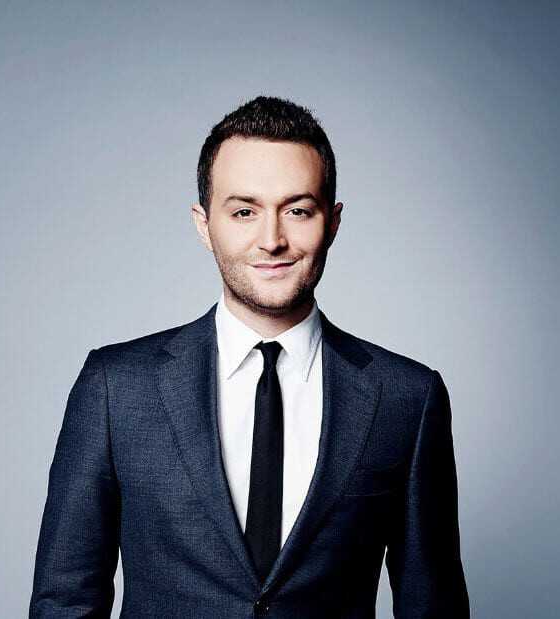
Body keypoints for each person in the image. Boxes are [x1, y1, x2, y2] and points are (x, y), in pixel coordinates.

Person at [29, 95, 470, 618]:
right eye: (244, 212)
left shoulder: (406, 397)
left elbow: (433, 604)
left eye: (298, 211)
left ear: (332, 222)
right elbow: (65, 599)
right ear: (203, 224)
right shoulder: (116, 387)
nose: (272, 240)